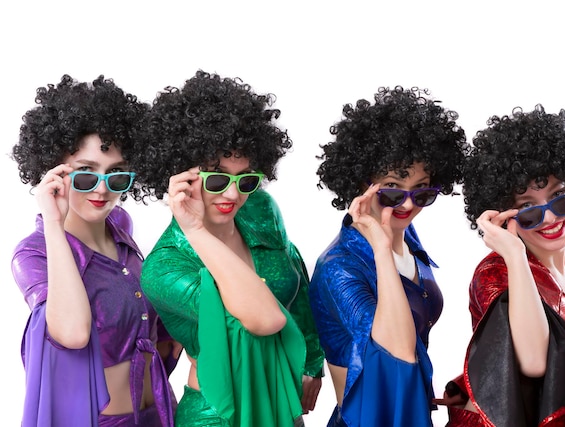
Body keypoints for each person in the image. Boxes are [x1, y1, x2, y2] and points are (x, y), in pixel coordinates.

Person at [133, 70, 325, 427]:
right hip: (217, 415)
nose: (234, 194)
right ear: (180, 175)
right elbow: (263, 319)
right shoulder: (163, 268)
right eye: (218, 178)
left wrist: (312, 362)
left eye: (246, 178)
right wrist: (195, 229)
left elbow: (293, 271)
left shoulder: (259, 209)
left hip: (283, 403)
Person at [10, 74, 178, 426]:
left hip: (161, 412)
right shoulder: (34, 254)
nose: (103, 190)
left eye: (116, 175)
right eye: (86, 174)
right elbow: (72, 334)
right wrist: (54, 223)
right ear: (54, 172)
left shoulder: (121, 226)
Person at [309, 86, 469, 427]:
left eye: (423, 192)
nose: (408, 205)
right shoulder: (339, 267)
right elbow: (397, 348)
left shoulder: (409, 238)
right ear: (361, 184)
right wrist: (381, 249)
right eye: (393, 190)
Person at [437, 105, 565, 427]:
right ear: (503, 213)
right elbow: (534, 362)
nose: (552, 217)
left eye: (561, 197)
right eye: (528, 209)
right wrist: (515, 255)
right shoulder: (495, 273)